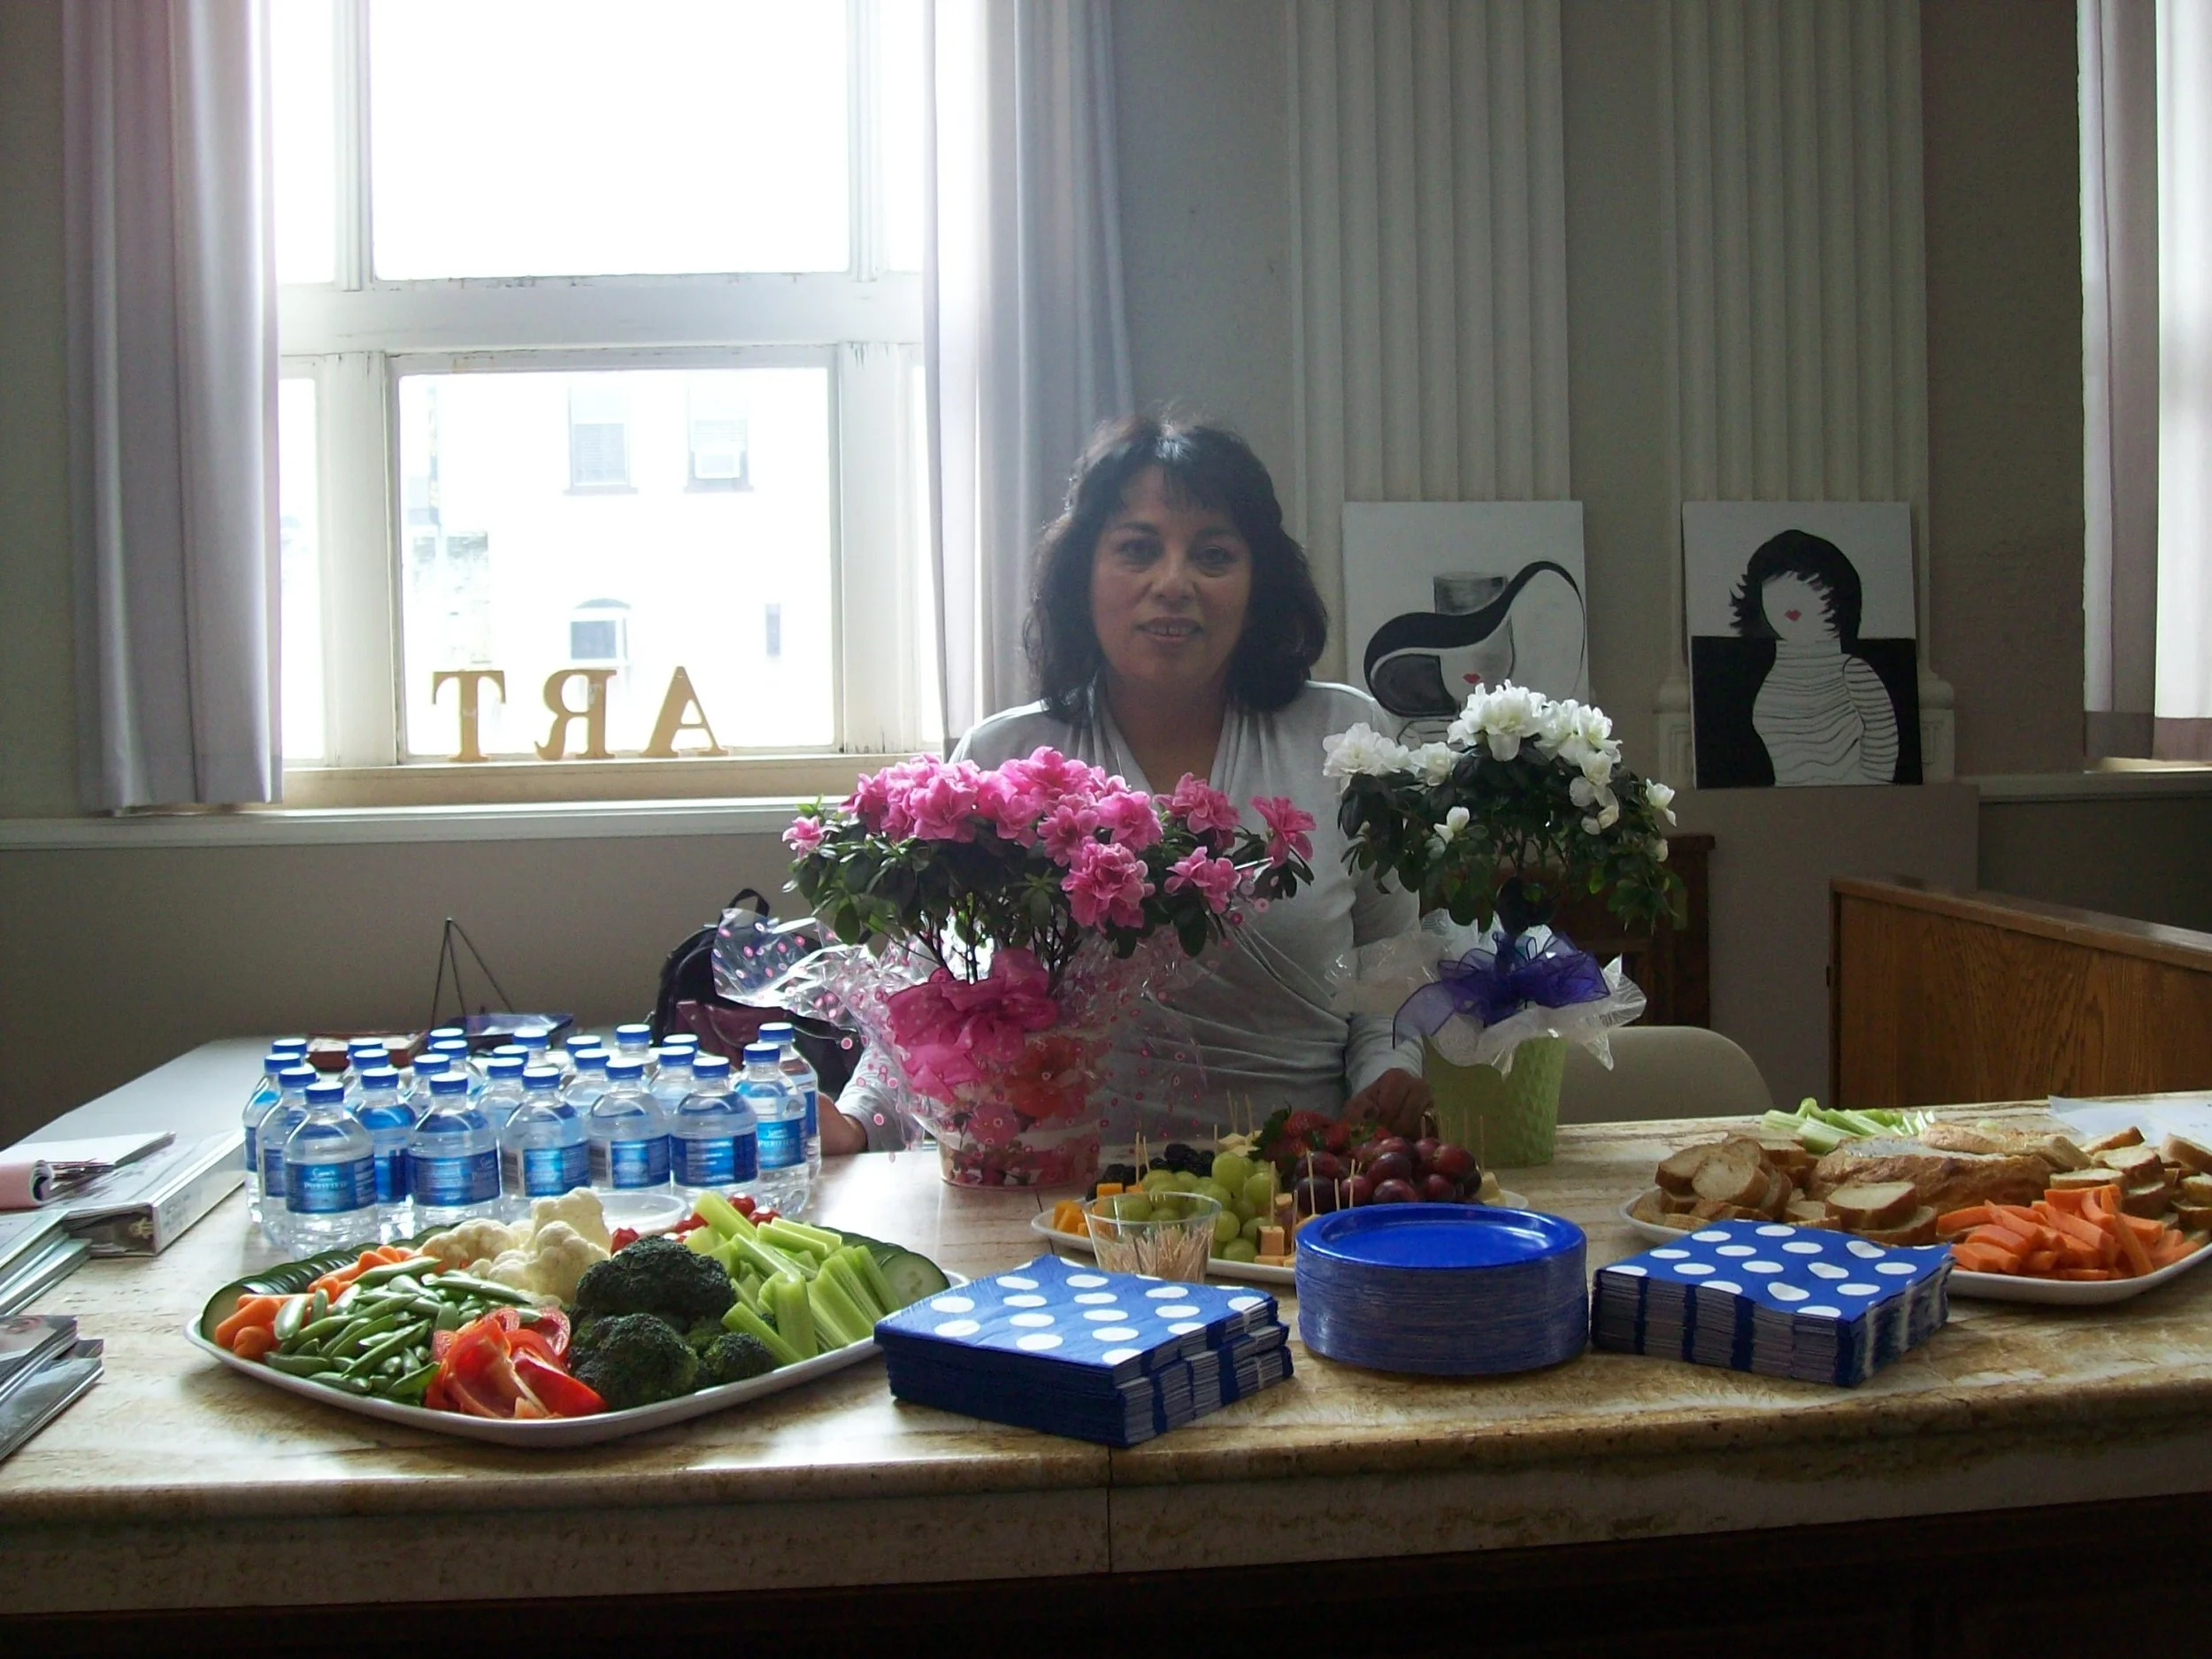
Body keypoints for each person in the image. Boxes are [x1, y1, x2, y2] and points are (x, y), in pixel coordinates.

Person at [819, 414, 1431, 1156]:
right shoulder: (1005, 753)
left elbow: (1390, 957)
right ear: (1084, 575)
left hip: (1300, 1182)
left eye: (1213, 555)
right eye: (1138, 550)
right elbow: (938, 998)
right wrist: (859, 1122)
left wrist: (1386, 1074)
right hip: (1058, 1189)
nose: (1173, 584)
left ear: (1257, 582)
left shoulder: (1347, 740)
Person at [1728, 529, 1900, 786]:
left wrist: (1865, 797)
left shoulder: (1852, 671)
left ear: (1838, 593)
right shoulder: (1772, 672)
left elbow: (1884, 743)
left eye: (1809, 582)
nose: (1791, 594)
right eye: (1775, 581)